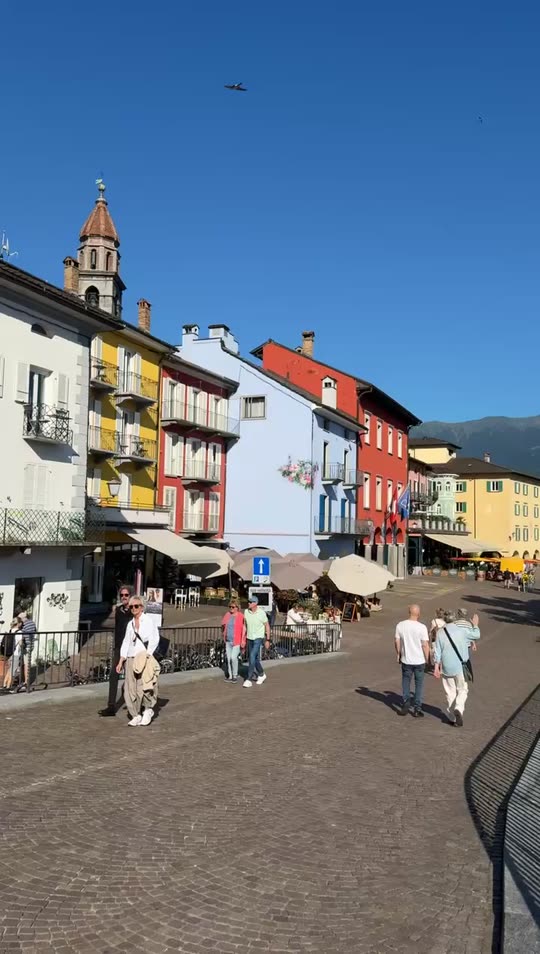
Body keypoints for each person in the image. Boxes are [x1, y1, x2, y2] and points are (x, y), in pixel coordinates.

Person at [116, 596, 160, 726]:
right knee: (130, 687)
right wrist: (121, 660)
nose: (134, 609)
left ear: (142, 607)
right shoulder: (130, 624)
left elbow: (154, 638)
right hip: (130, 657)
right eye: (131, 606)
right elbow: (126, 642)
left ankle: (147, 709)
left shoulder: (148, 621)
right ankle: (135, 714)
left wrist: (148, 655)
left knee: (144, 685)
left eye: (136, 606)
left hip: (143, 656)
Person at [433, 608, 480, 727]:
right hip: (460, 665)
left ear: (445, 619)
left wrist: (436, 667)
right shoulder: (461, 631)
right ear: (454, 619)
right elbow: (476, 635)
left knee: (450, 691)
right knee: (462, 689)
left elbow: (437, 651)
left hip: (446, 666)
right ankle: (458, 708)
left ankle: (452, 718)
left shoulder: (440, 632)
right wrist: (475, 625)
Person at [99, 585, 132, 717]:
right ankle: (111, 706)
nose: (124, 597)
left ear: (130, 596)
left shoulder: (135, 609)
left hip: (131, 648)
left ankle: (134, 705)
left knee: (131, 676)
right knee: (114, 675)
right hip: (119, 647)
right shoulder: (118, 610)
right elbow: (114, 625)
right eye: (122, 595)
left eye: (126, 595)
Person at [394, 604, 430, 717]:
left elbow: (397, 641)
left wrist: (398, 653)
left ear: (409, 612)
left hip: (406, 659)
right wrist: (427, 658)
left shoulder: (400, 625)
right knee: (419, 684)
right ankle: (417, 708)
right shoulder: (422, 627)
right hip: (419, 660)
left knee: (406, 682)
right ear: (418, 614)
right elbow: (425, 645)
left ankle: (406, 703)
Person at [243, 596, 270, 688]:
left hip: (258, 638)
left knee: (251, 656)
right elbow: (245, 625)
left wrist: (267, 639)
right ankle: (261, 674)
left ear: (255, 603)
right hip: (249, 637)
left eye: (250, 602)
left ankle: (249, 679)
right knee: (254, 658)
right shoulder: (246, 612)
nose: (248, 603)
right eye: (248, 602)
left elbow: (267, 626)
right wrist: (243, 638)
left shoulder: (261, 613)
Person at [221, 600, 245, 682]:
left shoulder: (241, 616)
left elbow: (244, 628)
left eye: (233, 607)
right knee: (228, 659)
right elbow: (223, 624)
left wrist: (243, 640)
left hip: (237, 641)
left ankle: (235, 675)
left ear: (237, 608)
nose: (231, 608)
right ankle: (230, 676)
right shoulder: (227, 615)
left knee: (233, 658)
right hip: (228, 640)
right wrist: (223, 633)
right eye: (230, 607)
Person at [2, 618, 23, 692]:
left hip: (9, 652)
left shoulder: (9, 630)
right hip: (16, 653)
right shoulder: (19, 632)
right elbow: (20, 643)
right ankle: (8, 687)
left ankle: (4, 684)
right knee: (12, 671)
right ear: (19, 624)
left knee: (9, 670)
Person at [17, 612, 37, 690]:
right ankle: (24, 680)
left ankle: (26, 682)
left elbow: (23, 635)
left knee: (26, 664)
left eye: (20, 619)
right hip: (29, 645)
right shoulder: (32, 623)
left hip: (26, 646)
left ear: (23, 618)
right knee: (24, 663)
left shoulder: (25, 625)